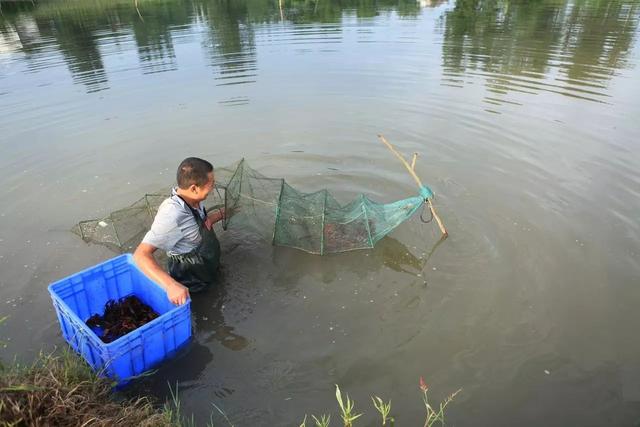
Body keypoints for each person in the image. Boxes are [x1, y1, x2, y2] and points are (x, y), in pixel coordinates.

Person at [133, 157, 224, 305]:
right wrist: (171, 285)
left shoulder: (194, 201)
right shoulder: (172, 214)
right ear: (194, 188)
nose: (213, 187)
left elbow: (200, 225)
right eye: (211, 184)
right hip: (192, 281)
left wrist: (222, 214)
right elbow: (141, 255)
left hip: (207, 268)